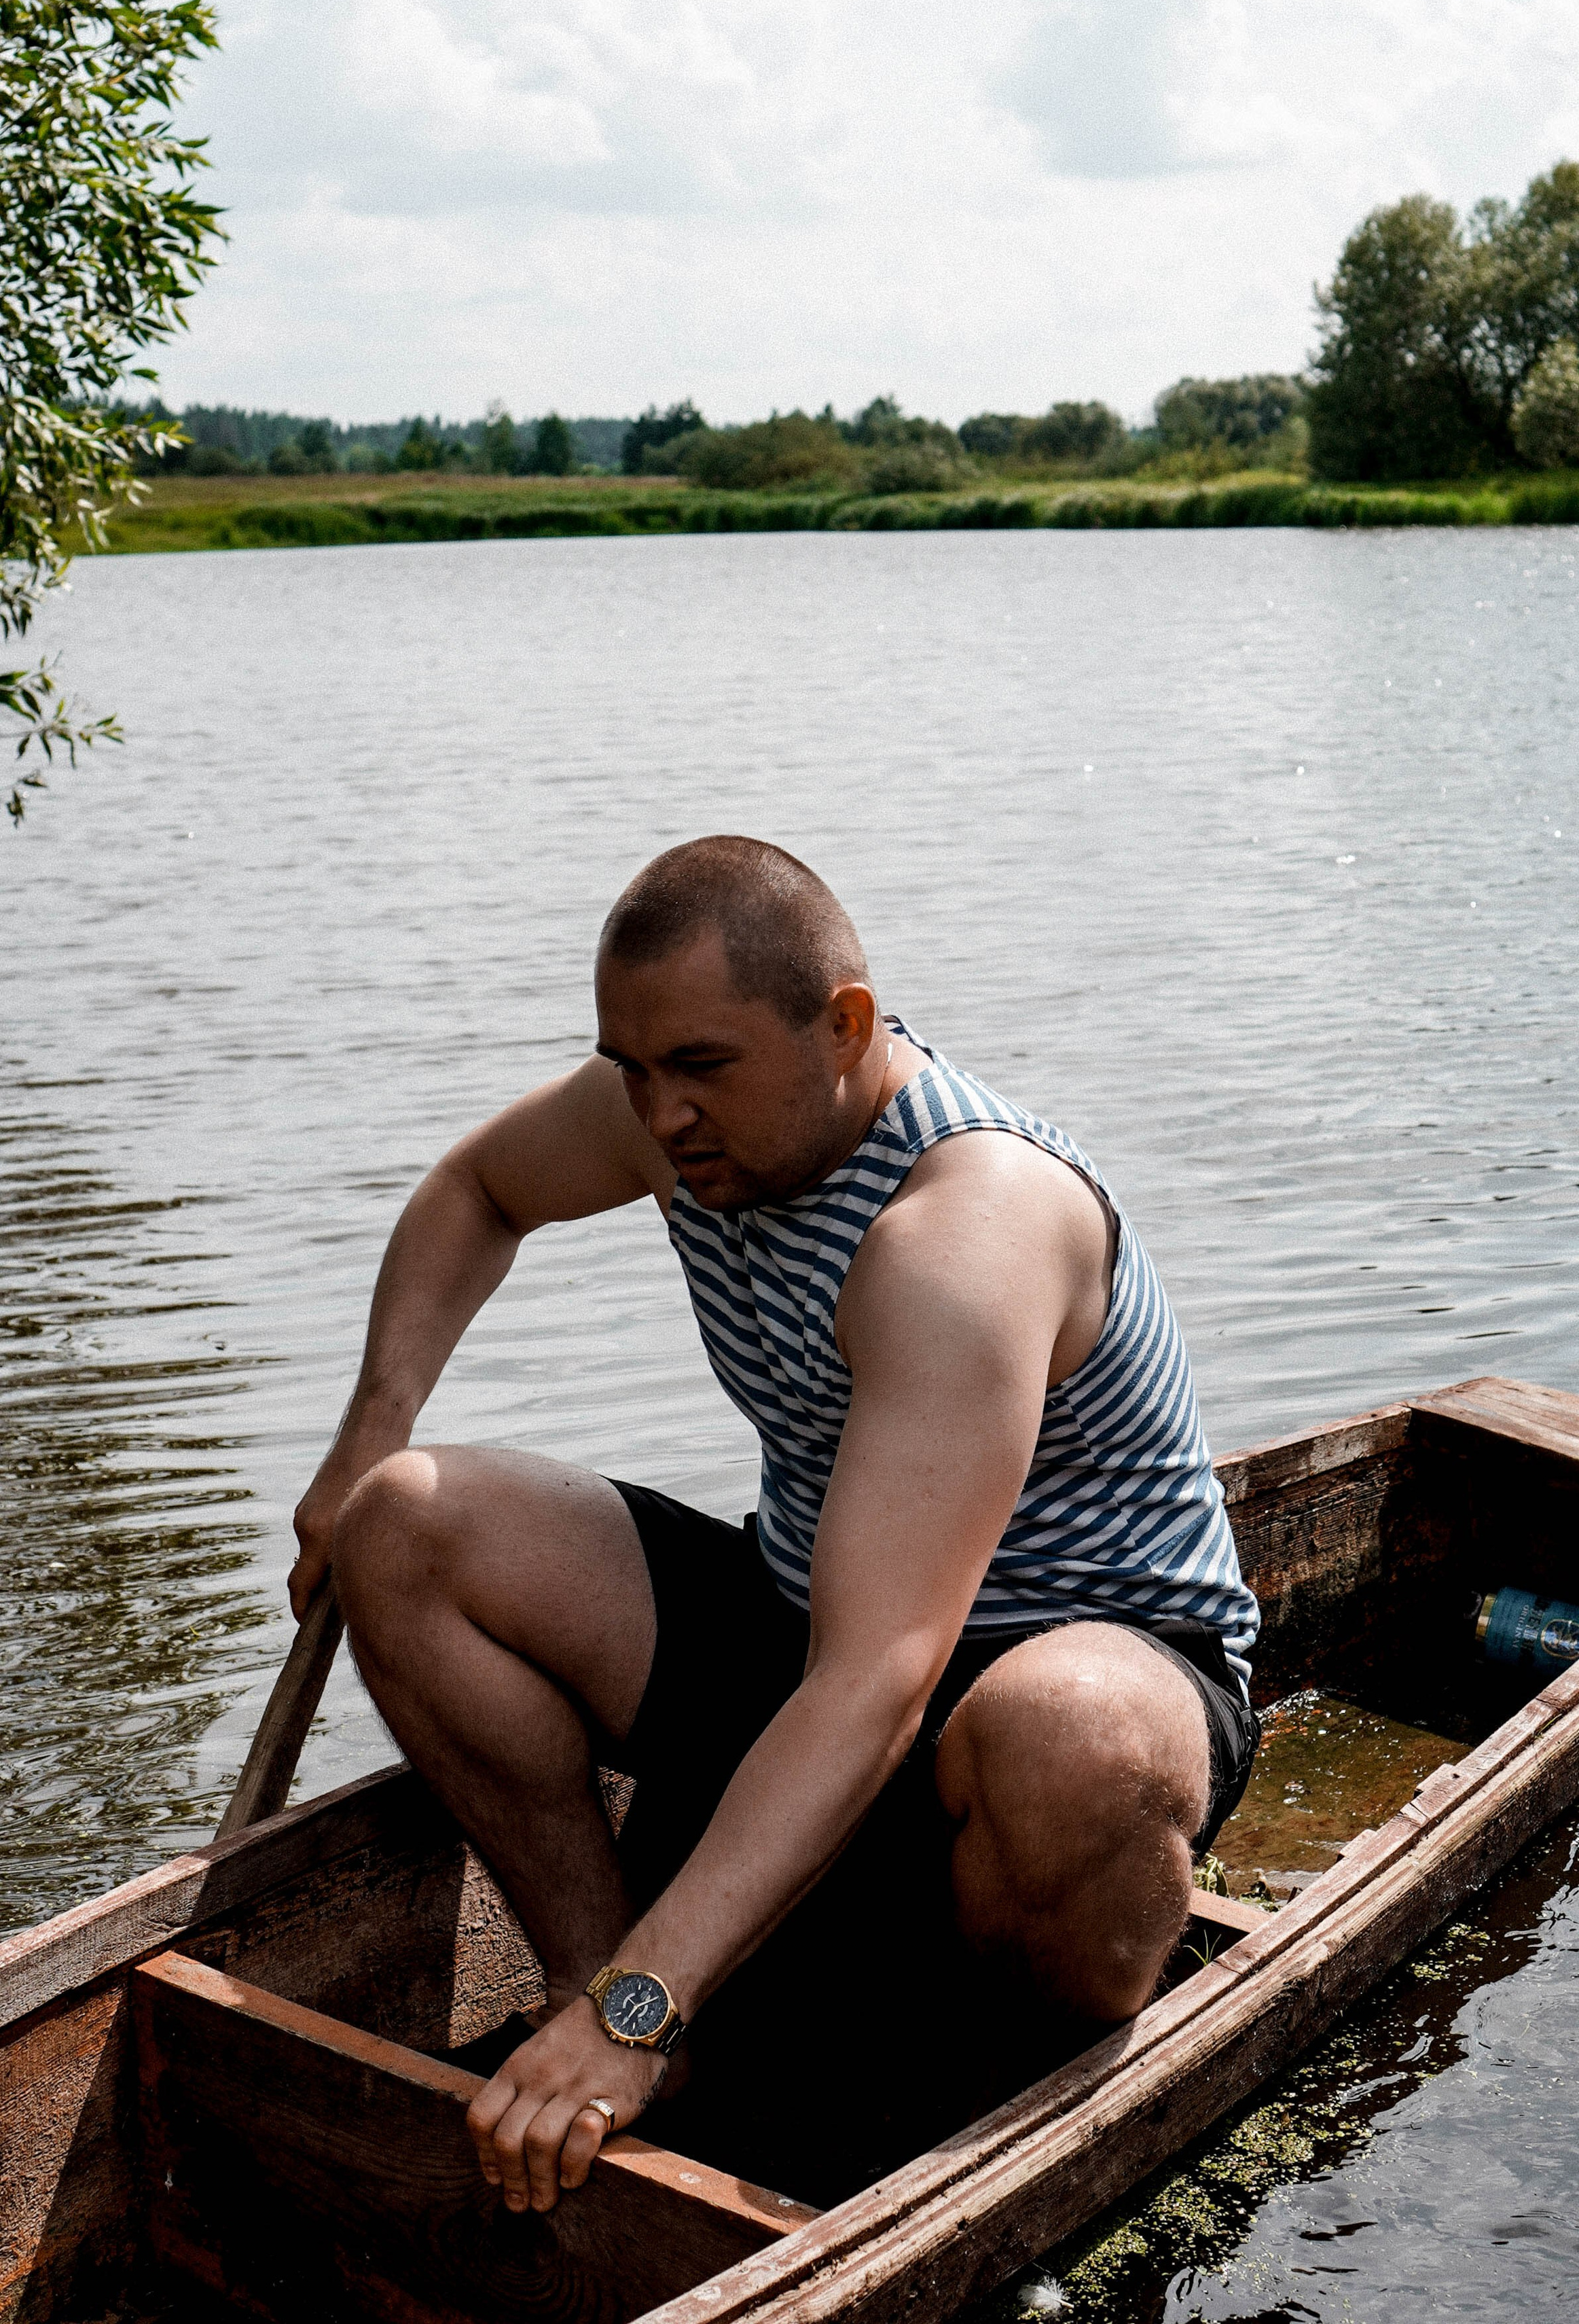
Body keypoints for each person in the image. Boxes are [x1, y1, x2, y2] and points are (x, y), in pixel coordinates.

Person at [291, 836, 1259, 2217]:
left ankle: (993, 2085)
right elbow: (477, 1193)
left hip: (1061, 1663)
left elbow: (883, 1676)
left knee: (1065, 1739)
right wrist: (365, 1436)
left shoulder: (961, 1235)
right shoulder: (671, 1118)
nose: (662, 1117)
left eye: (701, 1067)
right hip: (817, 1627)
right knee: (406, 1530)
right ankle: (598, 1988)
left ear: (845, 1027)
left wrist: (654, 2002)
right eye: (632, 1070)